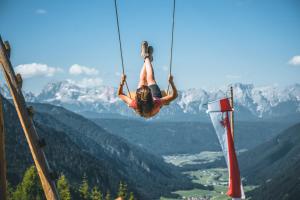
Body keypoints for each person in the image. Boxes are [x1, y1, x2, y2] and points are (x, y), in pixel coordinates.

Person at [118, 41, 178, 118]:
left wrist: (122, 82)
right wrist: (172, 82)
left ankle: (146, 57)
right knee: (150, 79)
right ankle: (147, 57)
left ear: (137, 98)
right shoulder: (156, 103)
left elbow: (120, 94)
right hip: (153, 107)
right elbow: (174, 95)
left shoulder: (135, 104)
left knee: (142, 80)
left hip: (142, 108)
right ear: (151, 96)